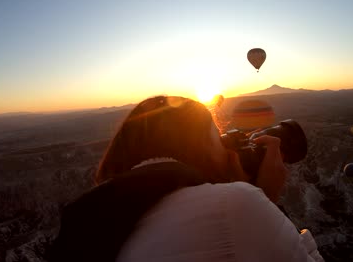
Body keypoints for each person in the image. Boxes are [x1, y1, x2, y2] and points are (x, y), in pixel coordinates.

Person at [48, 95, 324, 262]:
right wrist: (267, 197)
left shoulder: (102, 217)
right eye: (219, 138)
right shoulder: (235, 204)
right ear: (198, 145)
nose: (230, 149)